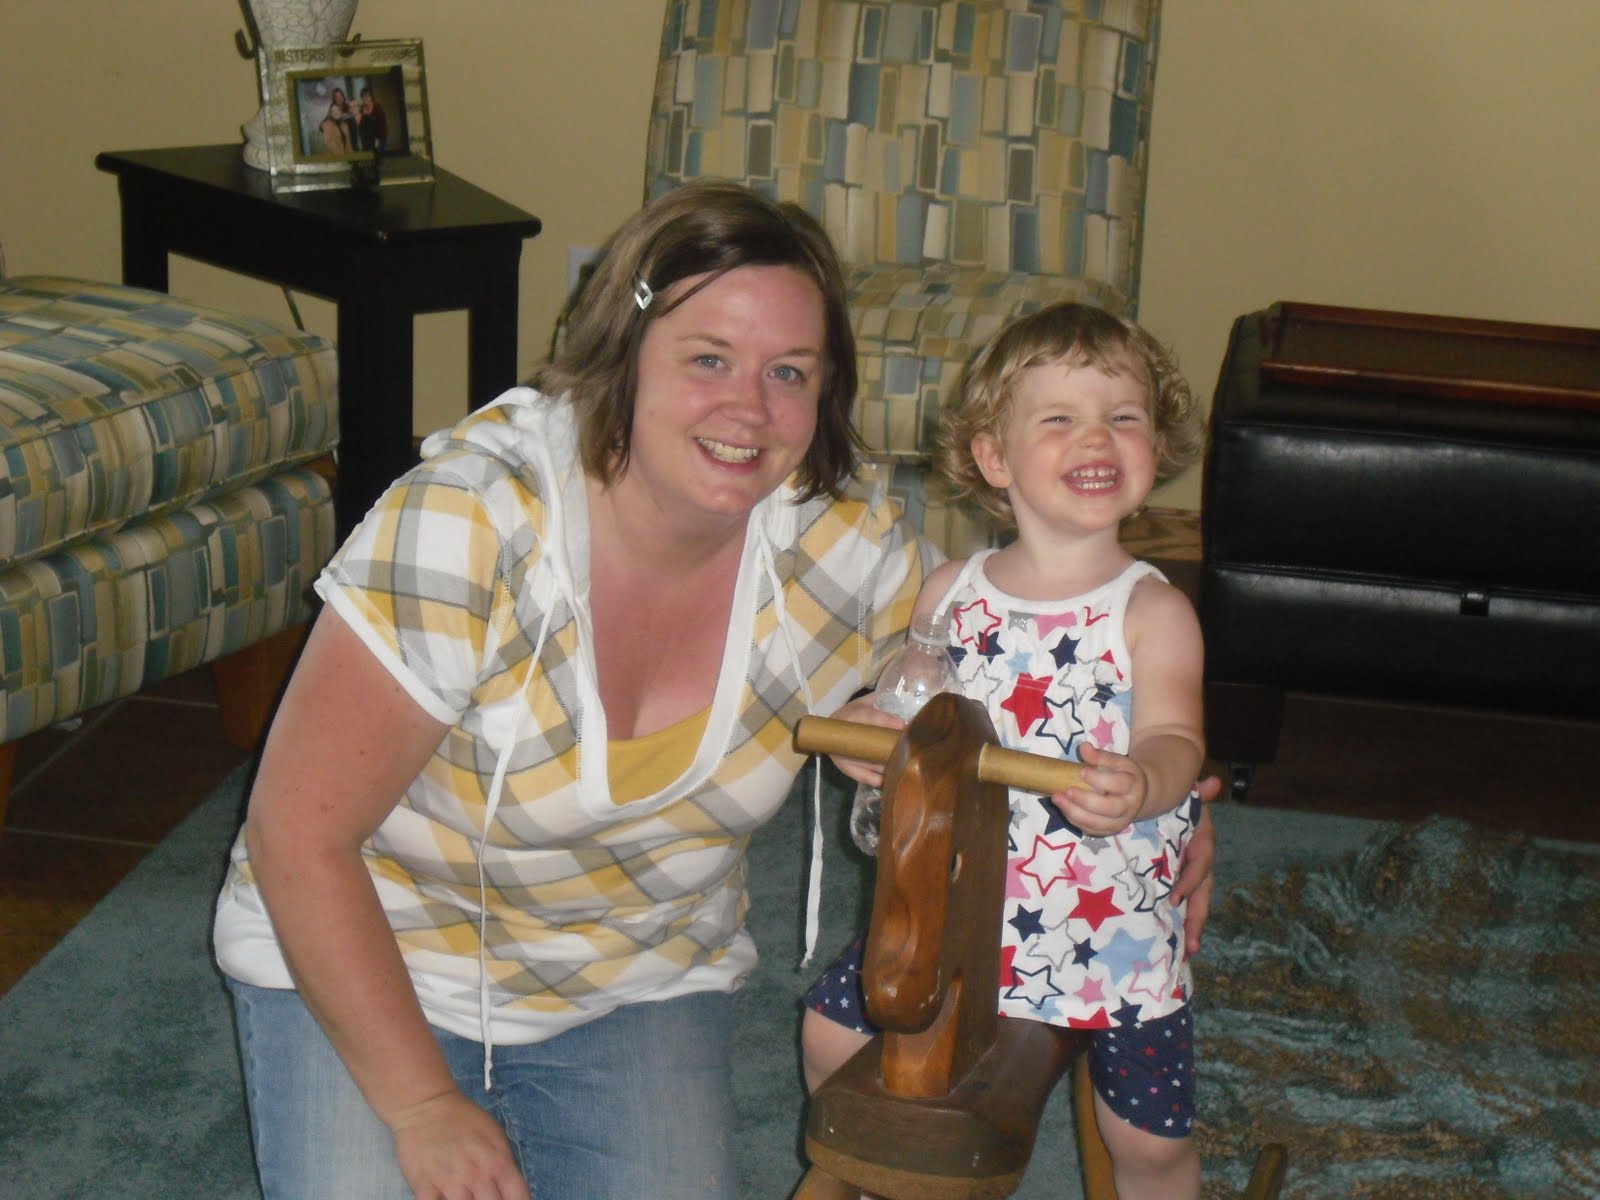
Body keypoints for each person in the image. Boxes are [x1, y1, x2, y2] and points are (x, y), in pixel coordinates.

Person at [801, 302, 1211, 1199]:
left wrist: (1145, 781)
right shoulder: (952, 590)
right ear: (994, 457)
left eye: (1124, 416)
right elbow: (909, 707)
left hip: (1104, 927)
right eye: (1059, 418)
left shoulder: (1153, 611)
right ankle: (871, 1174)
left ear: (1155, 445)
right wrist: (869, 733)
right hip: (954, 914)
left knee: (1146, 1140)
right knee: (830, 1036)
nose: (1096, 437)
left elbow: (1178, 738)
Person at [318, 86, 357, 156]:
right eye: (337, 97)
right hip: (338, 140)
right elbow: (324, 124)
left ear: (343, 96)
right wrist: (325, 126)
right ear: (334, 99)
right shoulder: (333, 107)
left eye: (340, 96)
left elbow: (356, 115)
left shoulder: (348, 107)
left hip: (351, 138)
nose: (339, 98)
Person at [358, 86, 388, 152]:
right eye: (363, 97)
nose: (365, 98)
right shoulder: (361, 109)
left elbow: (382, 125)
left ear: (371, 97)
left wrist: (378, 139)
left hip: (380, 139)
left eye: (367, 96)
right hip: (369, 141)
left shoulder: (377, 107)